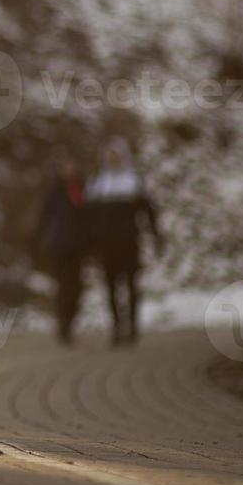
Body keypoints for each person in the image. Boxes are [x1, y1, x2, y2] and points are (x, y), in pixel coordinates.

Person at [86, 137, 160, 347]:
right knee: (110, 287)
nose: (113, 159)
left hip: (129, 242)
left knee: (131, 285)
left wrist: (154, 236)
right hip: (106, 244)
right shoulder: (98, 183)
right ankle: (117, 327)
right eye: (110, 155)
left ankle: (133, 326)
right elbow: (89, 218)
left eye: (116, 155)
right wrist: (90, 243)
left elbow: (148, 212)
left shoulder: (133, 181)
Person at [32, 150, 92, 344]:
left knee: (76, 288)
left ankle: (70, 321)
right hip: (59, 246)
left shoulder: (82, 190)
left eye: (72, 166)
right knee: (62, 287)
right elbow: (43, 218)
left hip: (79, 247)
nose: (69, 170)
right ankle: (63, 325)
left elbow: (91, 219)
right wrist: (37, 241)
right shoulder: (54, 192)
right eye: (66, 167)